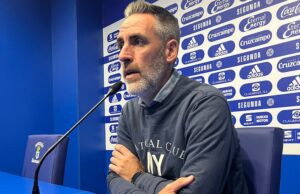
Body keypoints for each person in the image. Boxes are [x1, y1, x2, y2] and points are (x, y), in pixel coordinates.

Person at [107, 1, 249, 193]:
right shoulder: (130, 111)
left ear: (170, 51)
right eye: (120, 44)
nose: (122, 55)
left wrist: (137, 175)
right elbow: (115, 177)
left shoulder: (205, 104)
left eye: (137, 41)